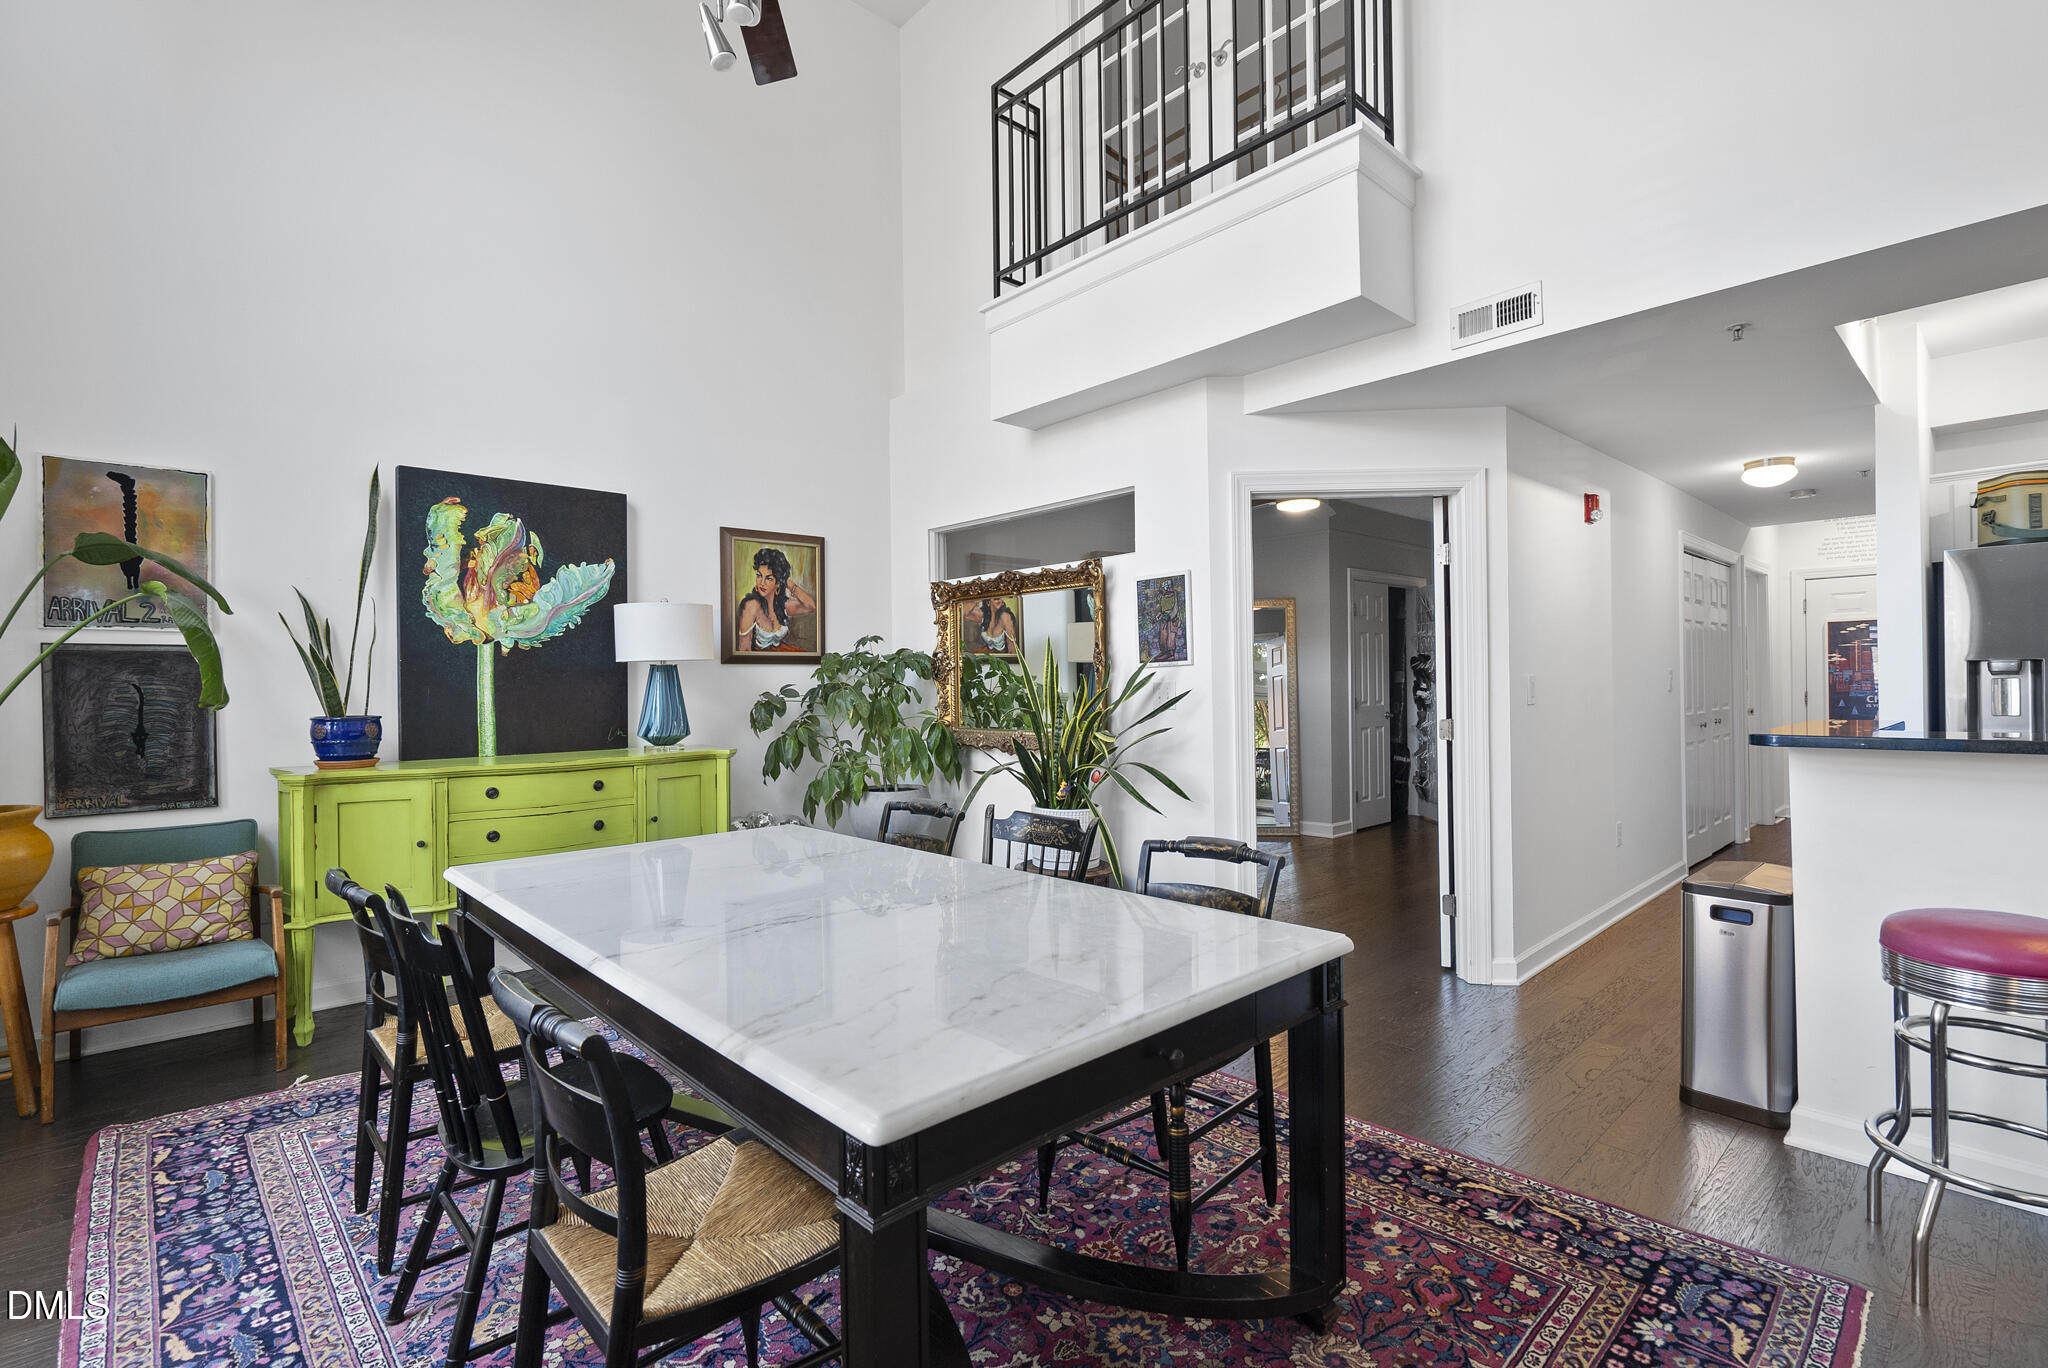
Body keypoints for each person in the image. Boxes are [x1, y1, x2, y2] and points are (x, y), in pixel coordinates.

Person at [735, 546, 816, 652]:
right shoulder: (751, 605)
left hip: (780, 659)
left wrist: (787, 582)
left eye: (768, 578)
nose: (762, 583)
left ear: (778, 583)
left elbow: (811, 606)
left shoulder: (783, 605)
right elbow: (744, 649)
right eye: (759, 576)